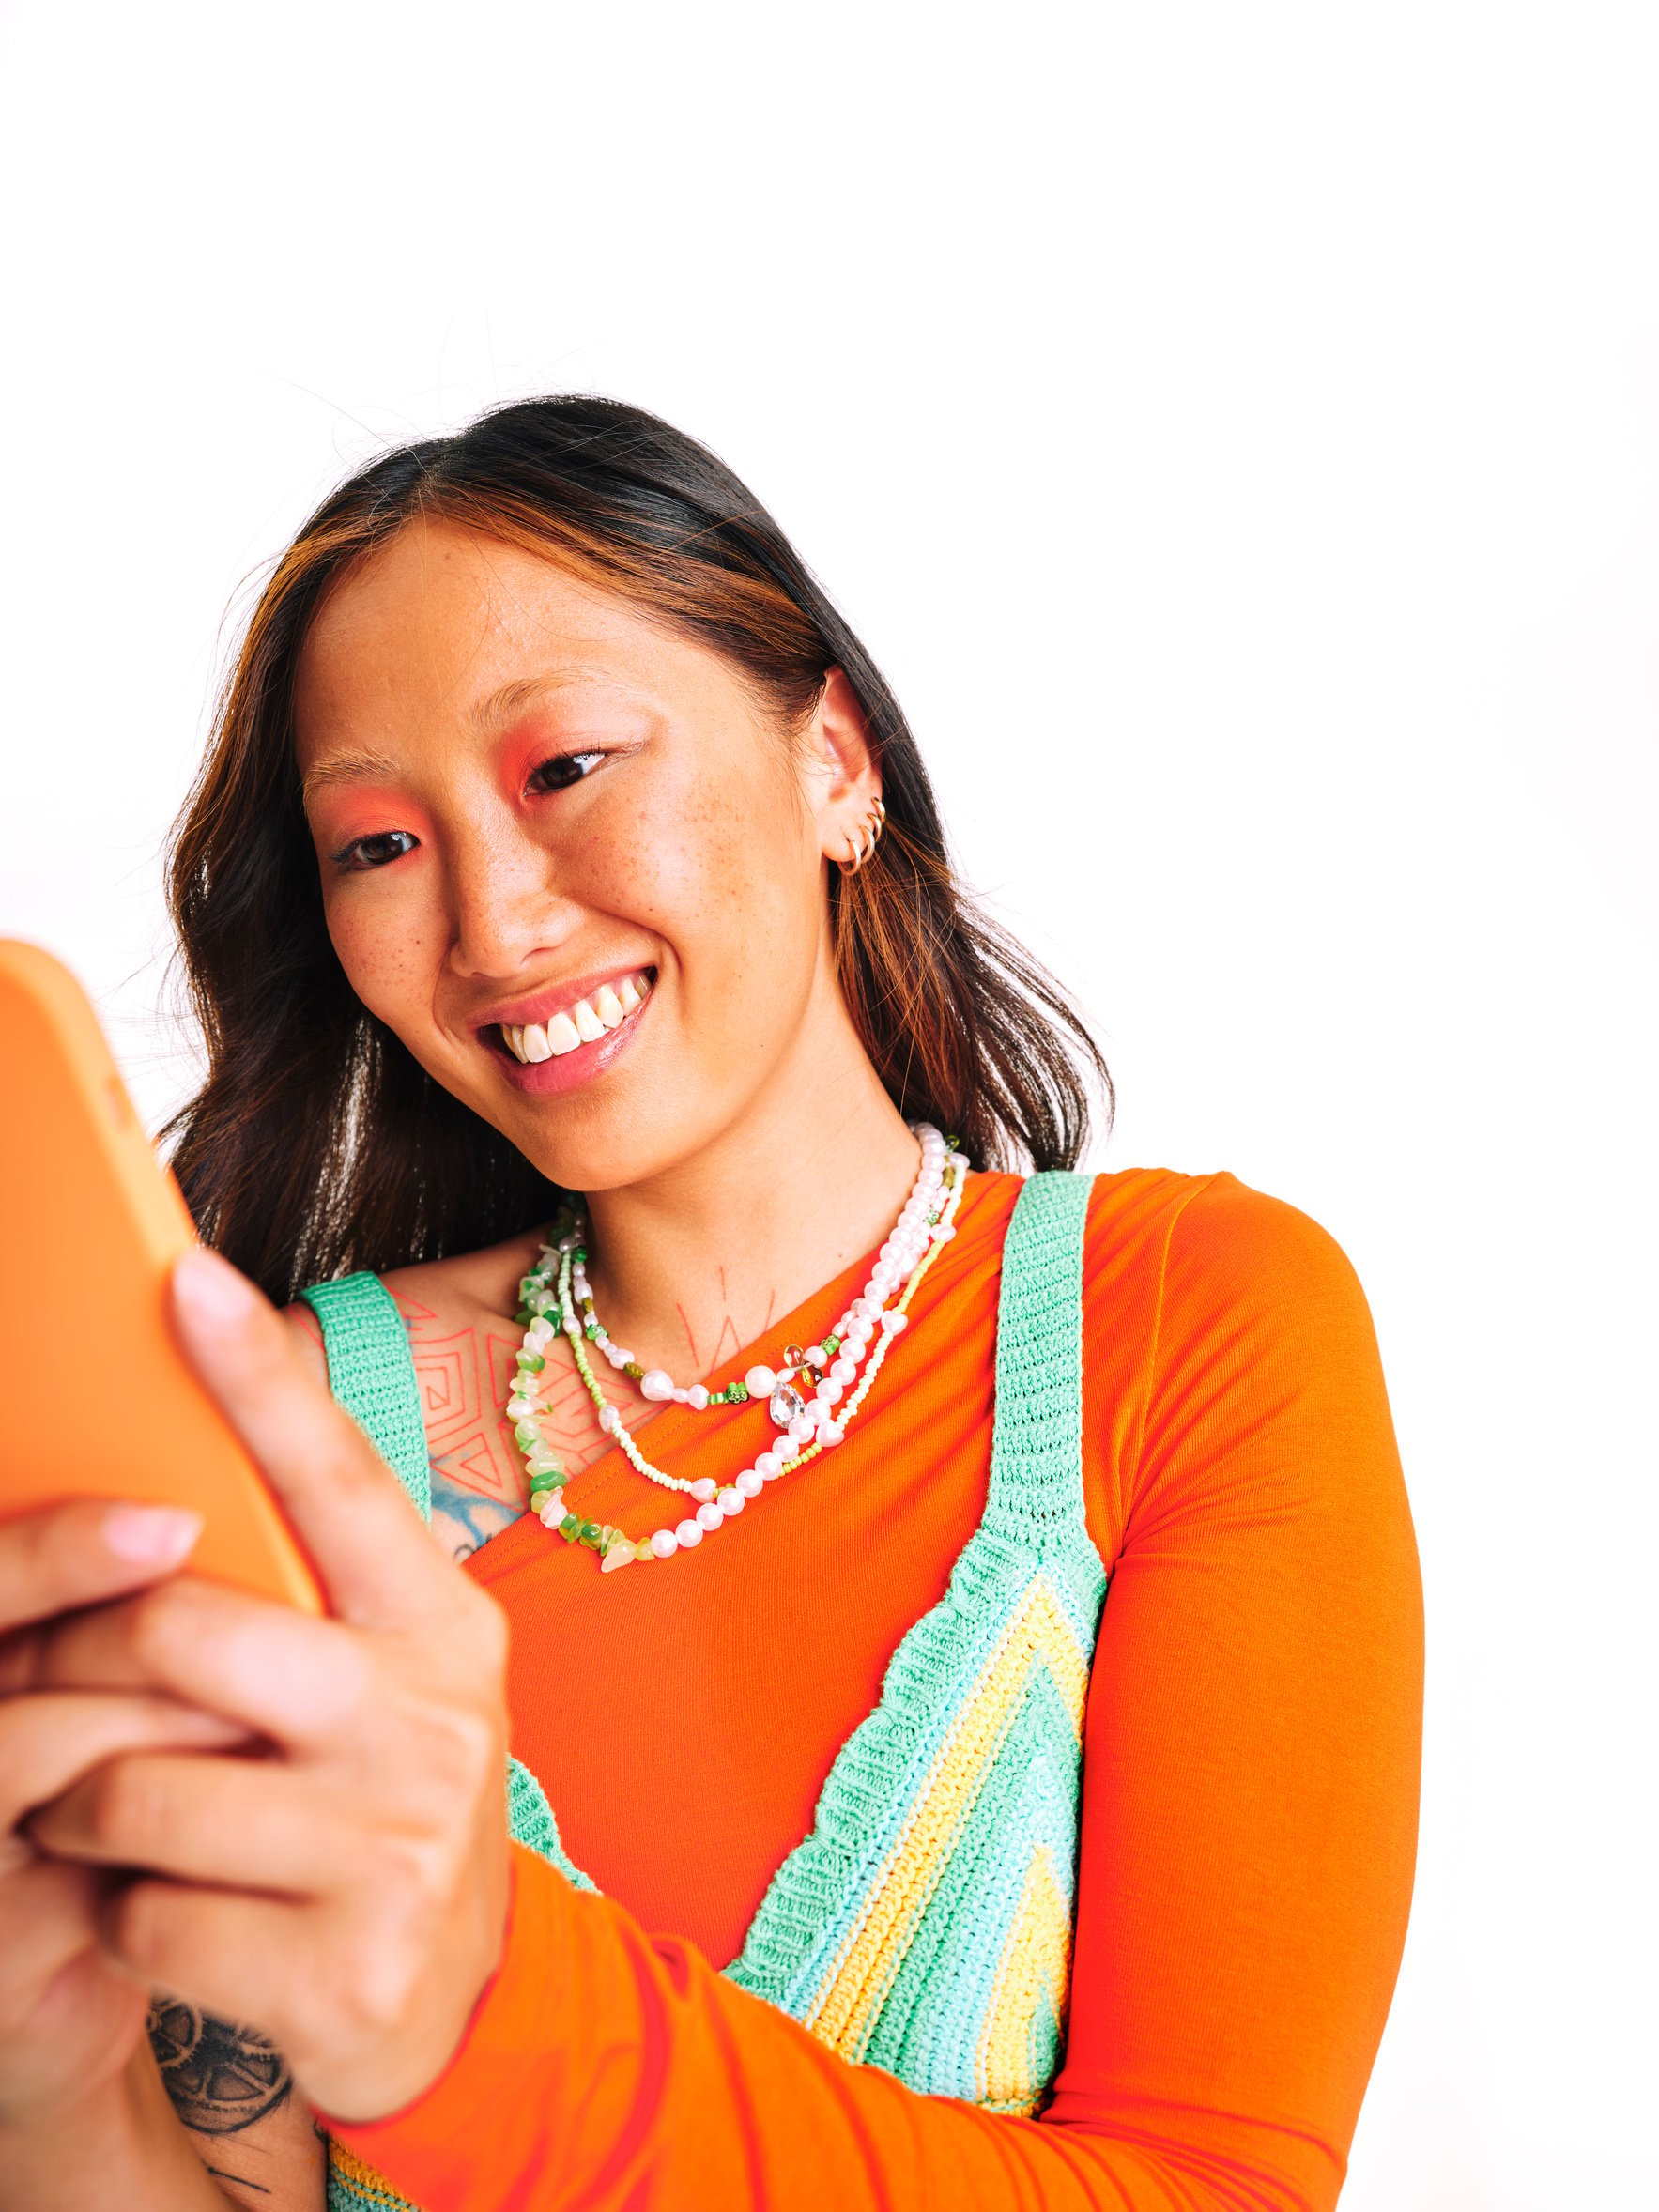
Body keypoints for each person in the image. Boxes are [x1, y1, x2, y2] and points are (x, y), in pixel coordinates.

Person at [0, 398, 1423, 2212]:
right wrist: (47, 2093)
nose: (497, 928)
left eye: (566, 768)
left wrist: (482, 2018)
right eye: (376, 845)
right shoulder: (275, 1435)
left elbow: (1214, 2189)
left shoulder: (1182, 1329)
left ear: (833, 759)